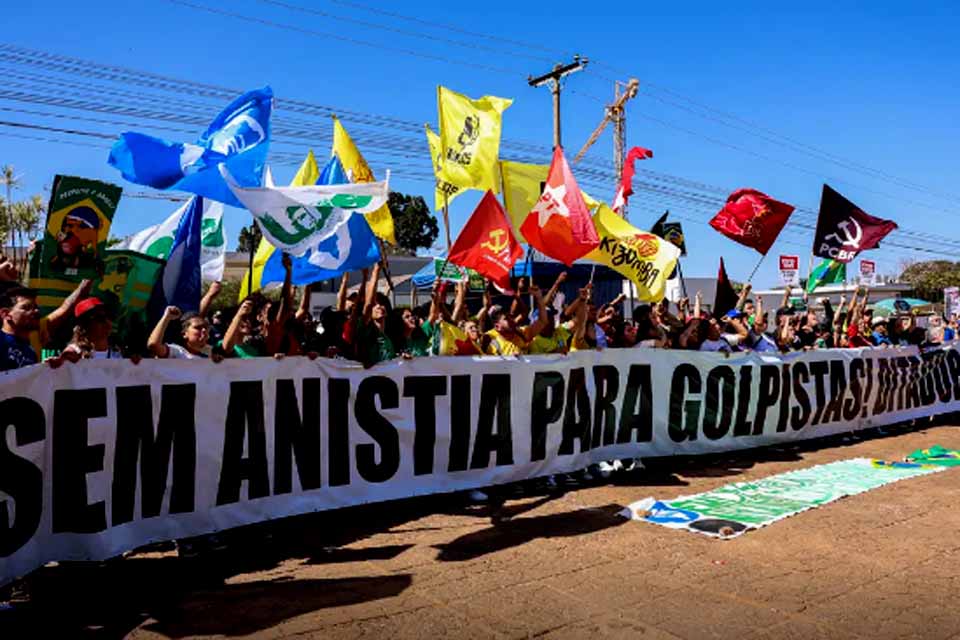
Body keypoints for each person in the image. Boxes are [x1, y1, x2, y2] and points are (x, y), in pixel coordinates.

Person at [148, 306, 215, 359]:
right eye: (197, 328)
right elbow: (153, 345)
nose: (204, 330)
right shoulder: (176, 351)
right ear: (184, 334)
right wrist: (167, 317)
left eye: (206, 328)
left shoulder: (208, 358)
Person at [0, 287, 40, 371]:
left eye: (36, 307)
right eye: (26, 307)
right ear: (6, 314)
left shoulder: (30, 352)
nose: (36, 311)